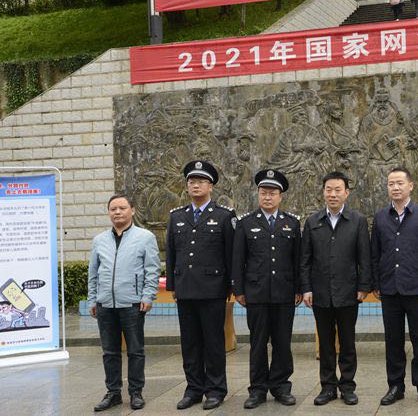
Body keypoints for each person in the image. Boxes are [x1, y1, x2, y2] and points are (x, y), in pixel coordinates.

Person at [166, 161, 236, 410]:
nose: (195, 185)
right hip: (185, 289)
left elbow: (231, 255)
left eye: (201, 181)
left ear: (211, 186)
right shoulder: (177, 216)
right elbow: (172, 253)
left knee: (214, 342)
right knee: (190, 343)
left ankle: (216, 389)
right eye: (191, 182)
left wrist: (231, 286)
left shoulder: (224, 216)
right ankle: (194, 389)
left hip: (212, 290)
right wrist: (173, 285)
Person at [300, 171, 372, 406]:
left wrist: (364, 286)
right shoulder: (312, 221)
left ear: (346, 193)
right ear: (323, 192)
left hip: (348, 292)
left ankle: (348, 386)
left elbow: (364, 257)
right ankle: (328, 387)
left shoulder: (357, 221)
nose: (332, 194)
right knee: (326, 344)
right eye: (328, 190)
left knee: (348, 343)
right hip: (320, 294)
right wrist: (306, 288)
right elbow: (305, 259)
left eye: (337, 190)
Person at [232, 169, 302, 409]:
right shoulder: (245, 223)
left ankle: (281, 386)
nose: (267, 197)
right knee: (258, 343)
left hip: (284, 293)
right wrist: (239, 289)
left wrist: (299, 288)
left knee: (282, 343)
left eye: (272, 193)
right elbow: (238, 259)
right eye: (263, 192)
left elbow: (297, 260)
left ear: (281, 196)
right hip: (256, 293)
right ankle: (258, 389)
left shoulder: (291, 223)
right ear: (258, 194)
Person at [371, 167, 418, 407]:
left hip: (417, 288)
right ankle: (395, 386)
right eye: (391, 183)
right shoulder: (380, 217)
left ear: (410, 185)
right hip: (390, 288)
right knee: (393, 340)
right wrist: (376, 282)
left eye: (400, 183)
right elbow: (375, 254)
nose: (395, 187)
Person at [87, 194, 160, 412]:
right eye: (113, 209)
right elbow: (93, 273)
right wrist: (93, 299)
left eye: (122, 208)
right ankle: (113, 392)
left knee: (135, 351)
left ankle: (136, 392)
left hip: (132, 304)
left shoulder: (145, 237)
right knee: (109, 352)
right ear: (109, 212)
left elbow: (152, 269)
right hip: (105, 305)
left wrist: (148, 296)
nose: (117, 212)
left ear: (132, 210)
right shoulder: (99, 240)